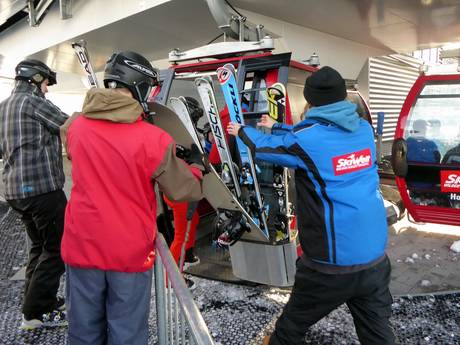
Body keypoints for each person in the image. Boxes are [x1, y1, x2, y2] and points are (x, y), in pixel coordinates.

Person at [227, 66, 395, 345]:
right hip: (374, 259)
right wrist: (279, 126)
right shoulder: (364, 129)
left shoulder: (307, 141)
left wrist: (242, 130)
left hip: (330, 266)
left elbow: (266, 149)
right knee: (377, 333)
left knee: (289, 330)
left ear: (310, 100)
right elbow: (316, 137)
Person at [60, 51, 202, 345]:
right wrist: (196, 168)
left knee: (83, 331)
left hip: (81, 244)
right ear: (139, 86)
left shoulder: (74, 127)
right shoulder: (153, 139)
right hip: (128, 251)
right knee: (127, 334)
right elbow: (183, 189)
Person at [0, 59, 69, 330]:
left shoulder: (3, 107)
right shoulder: (33, 102)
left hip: (16, 193)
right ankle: (36, 313)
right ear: (35, 79)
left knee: (39, 247)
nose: (47, 90)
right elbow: (69, 125)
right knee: (57, 250)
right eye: (45, 84)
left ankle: (39, 301)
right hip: (42, 191)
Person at [164, 96, 204, 290]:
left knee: (193, 220)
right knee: (181, 234)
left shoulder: (186, 133)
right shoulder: (175, 135)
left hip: (185, 188)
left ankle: (187, 254)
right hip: (179, 190)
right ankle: (172, 278)